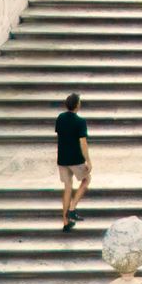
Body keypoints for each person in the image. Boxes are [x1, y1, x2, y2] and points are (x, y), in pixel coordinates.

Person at [55, 92, 90, 228]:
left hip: (62, 158)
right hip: (75, 158)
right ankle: (72, 208)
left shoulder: (60, 118)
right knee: (86, 180)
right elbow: (83, 143)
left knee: (67, 187)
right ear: (77, 105)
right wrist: (88, 160)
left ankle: (65, 221)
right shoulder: (80, 122)